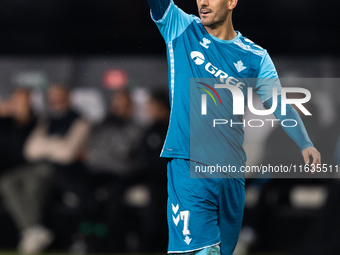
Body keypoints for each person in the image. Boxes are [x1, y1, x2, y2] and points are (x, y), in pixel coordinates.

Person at [146, 0, 321, 255]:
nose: (202, 3)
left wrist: (305, 142)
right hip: (188, 163)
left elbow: (280, 104)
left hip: (231, 172)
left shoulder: (255, 56)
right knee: (201, 251)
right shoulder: (180, 27)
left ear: (231, 2)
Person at [0, 88, 53, 255]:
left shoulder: (39, 121)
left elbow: (31, 152)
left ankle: (31, 233)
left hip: (35, 170)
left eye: (25, 100)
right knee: (7, 184)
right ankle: (33, 231)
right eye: (17, 100)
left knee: (32, 186)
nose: (21, 104)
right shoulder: (5, 123)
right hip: (12, 173)